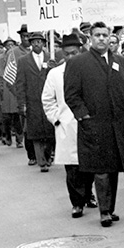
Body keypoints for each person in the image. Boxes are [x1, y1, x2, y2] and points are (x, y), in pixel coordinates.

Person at [63, 21, 124, 228]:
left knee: (113, 168)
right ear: (90, 38)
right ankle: (104, 211)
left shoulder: (120, 61)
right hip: (94, 125)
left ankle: (110, 208)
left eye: (105, 35)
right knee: (101, 169)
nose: (102, 39)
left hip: (117, 125)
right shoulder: (78, 63)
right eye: (97, 35)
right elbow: (71, 95)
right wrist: (84, 117)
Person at [41, 32, 94, 217]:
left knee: (89, 163)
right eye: (67, 54)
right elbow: (47, 99)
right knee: (72, 168)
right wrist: (56, 118)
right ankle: (77, 202)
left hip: (87, 124)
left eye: (74, 53)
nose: (71, 57)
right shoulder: (55, 74)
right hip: (66, 125)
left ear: (81, 51)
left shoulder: (89, 70)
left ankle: (88, 195)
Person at [16, 31, 57, 171]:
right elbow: (19, 83)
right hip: (32, 101)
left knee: (50, 132)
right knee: (36, 133)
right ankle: (42, 162)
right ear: (30, 44)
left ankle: (48, 155)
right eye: (33, 42)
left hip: (49, 100)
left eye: (39, 42)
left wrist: (53, 68)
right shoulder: (23, 61)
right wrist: (22, 104)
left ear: (44, 43)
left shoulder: (51, 59)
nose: (36, 44)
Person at [0, 39, 23, 147]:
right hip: (5, 88)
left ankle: (19, 139)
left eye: (12, 44)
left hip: (16, 87)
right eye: (8, 45)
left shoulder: (19, 56)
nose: (10, 46)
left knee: (17, 115)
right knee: (6, 116)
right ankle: (7, 136)